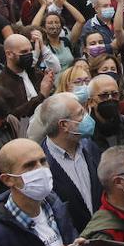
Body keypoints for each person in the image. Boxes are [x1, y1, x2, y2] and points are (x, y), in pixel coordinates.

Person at [35, 93, 102, 233]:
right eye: (80, 114)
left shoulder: (90, 147)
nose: (87, 117)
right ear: (64, 125)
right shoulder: (40, 166)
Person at [0, 33, 54, 118]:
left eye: (31, 50)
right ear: (9, 54)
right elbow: (11, 116)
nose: (29, 54)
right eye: (24, 52)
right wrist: (41, 95)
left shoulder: (37, 74)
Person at [87, 73, 124, 151]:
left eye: (115, 94)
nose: (110, 99)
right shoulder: (86, 135)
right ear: (91, 102)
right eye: (104, 96)